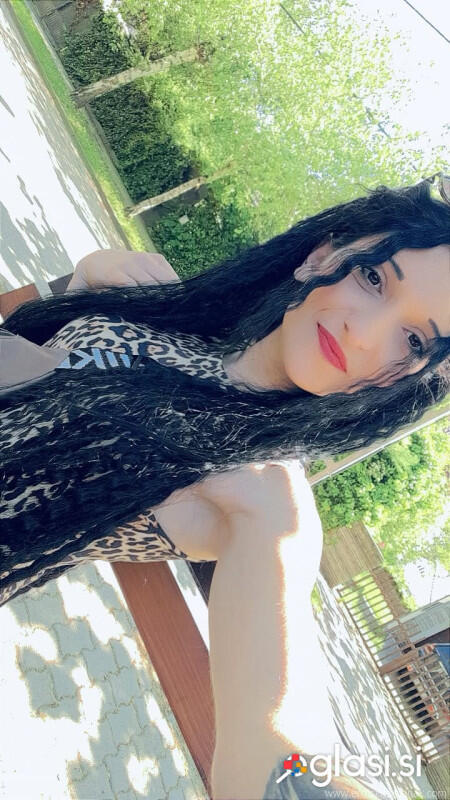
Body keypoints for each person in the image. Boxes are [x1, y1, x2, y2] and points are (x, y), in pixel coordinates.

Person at [1, 177, 449, 798]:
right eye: (373, 279)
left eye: (413, 340)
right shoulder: (184, 321)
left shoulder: (265, 494)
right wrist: (82, 283)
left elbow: (278, 742)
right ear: (322, 255)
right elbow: (44, 374)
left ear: (406, 381)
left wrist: (304, 779)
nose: (364, 334)